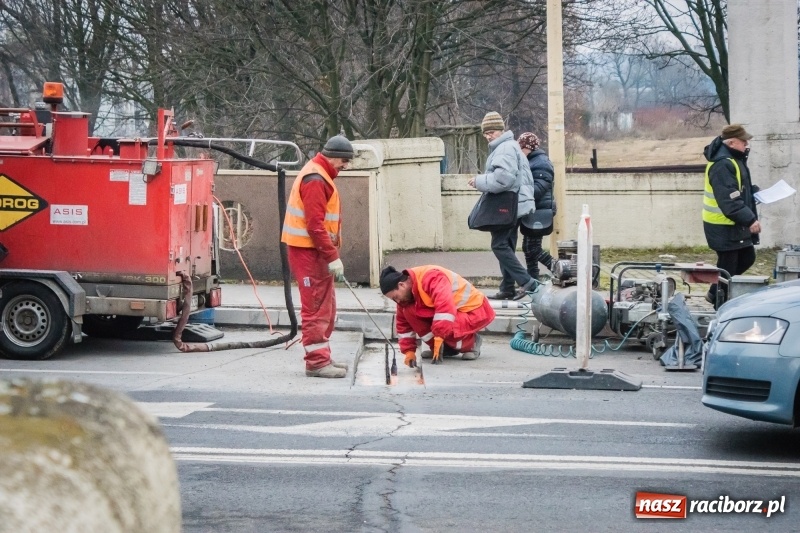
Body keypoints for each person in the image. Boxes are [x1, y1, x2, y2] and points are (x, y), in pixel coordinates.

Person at [281, 135, 354, 378]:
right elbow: (315, 225)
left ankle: (322, 357)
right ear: (332, 157)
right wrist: (332, 256)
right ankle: (317, 363)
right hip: (309, 253)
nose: (346, 166)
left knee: (325, 307)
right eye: (344, 161)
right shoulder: (316, 179)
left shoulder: (319, 175)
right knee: (315, 308)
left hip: (314, 252)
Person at [468, 111, 537, 301]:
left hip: (507, 205)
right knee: (507, 245)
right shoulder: (510, 146)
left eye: (492, 132)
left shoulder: (504, 148)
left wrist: (478, 181)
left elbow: (503, 179)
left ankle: (527, 282)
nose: (488, 136)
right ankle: (507, 288)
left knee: (499, 245)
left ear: (501, 130)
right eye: (485, 133)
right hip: (516, 204)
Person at [380, 265, 496, 366]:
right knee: (409, 312)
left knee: (446, 325)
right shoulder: (406, 298)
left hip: (474, 310)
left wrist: (440, 336)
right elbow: (403, 326)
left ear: (401, 285)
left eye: (395, 297)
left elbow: (445, 310)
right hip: (455, 311)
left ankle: (472, 343)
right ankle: (444, 349)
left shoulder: (432, 277)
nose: (397, 301)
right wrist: (409, 351)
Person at [702, 124, 761, 308]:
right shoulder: (722, 164)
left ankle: (715, 293)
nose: (746, 145)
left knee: (746, 258)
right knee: (728, 266)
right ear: (732, 142)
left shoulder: (733, 159)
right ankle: (719, 304)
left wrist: (751, 191)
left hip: (732, 223)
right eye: (744, 141)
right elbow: (728, 200)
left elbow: (735, 189)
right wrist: (750, 219)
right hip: (722, 225)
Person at [517, 132, 555, 280]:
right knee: (529, 248)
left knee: (533, 248)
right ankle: (533, 281)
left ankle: (559, 267)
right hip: (534, 210)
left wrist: (519, 190)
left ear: (529, 147)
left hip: (540, 210)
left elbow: (538, 190)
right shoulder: (532, 161)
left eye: (521, 148)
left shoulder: (541, 163)